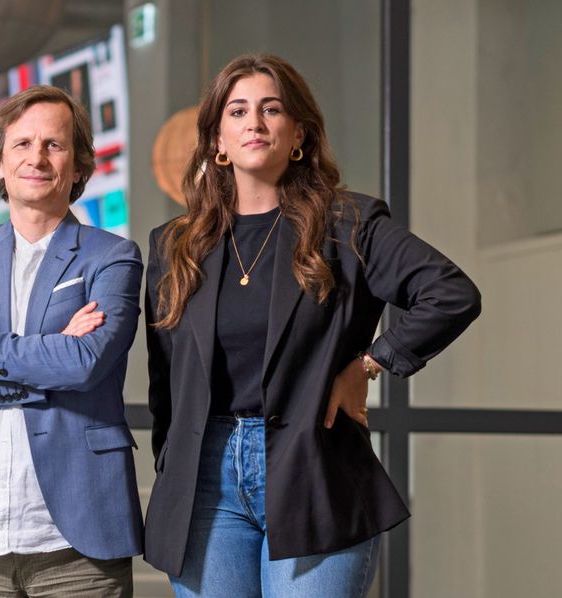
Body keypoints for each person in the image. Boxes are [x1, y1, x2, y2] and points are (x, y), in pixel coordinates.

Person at [143, 54, 482, 597]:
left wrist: (369, 363)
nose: (255, 122)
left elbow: (451, 293)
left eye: (271, 109)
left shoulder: (349, 224)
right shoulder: (174, 246)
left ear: (297, 133)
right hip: (205, 483)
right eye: (237, 111)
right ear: (217, 141)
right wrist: (172, 472)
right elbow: (166, 382)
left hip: (314, 469)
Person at [0, 85, 144, 598]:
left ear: (79, 167)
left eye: (54, 145)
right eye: (21, 144)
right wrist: (46, 357)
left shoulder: (112, 256)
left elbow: (85, 363)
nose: (36, 157)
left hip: (78, 540)